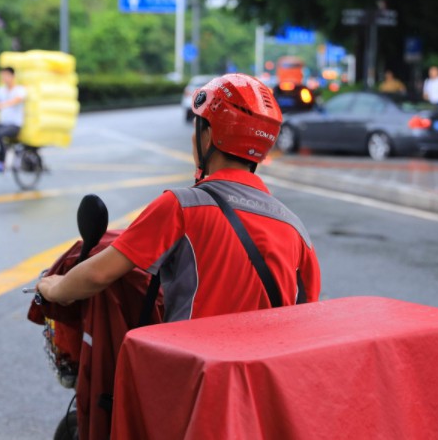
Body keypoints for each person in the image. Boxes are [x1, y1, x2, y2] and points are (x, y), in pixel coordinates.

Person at [37, 73, 321, 322]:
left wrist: (54, 288)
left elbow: (98, 275)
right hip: (260, 380)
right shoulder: (296, 229)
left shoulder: (182, 206)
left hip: (194, 376)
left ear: (208, 138)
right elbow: (306, 312)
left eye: (198, 128)